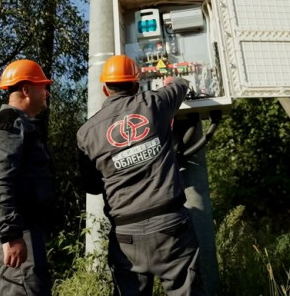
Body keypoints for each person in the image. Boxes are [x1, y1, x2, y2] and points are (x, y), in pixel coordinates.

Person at [77, 55, 205, 296]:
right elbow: (180, 84)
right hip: (170, 228)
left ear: (105, 89)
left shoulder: (86, 133)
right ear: (136, 84)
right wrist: (168, 75)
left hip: (125, 235)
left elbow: (92, 186)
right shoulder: (154, 103)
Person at [0, 59, 55, 296]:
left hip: (17, 229)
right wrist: (11, 234)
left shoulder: (18, 124)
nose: (47, 92)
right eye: (43, 86)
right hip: (14, 232)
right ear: (26, 89)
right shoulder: (8, 123)